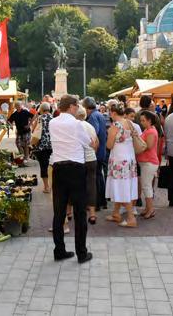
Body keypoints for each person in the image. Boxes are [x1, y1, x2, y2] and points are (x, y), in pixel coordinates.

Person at [49, 94, 94, 264]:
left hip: (59, 167)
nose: (78, 109)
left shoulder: (53, 123)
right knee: (79, 211)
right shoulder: (76, 124)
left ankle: (59, 249)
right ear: (72, 106)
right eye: (77, 106)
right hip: (75, 167)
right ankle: (81, 252)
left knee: (59, 211)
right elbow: (88, 143)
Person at [105, 102, 139, 227]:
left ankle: (131, 218)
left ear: (113, 113)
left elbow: (109, 145)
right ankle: (116, 213)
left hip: (119, 160)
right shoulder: (129, 123)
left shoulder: (115, 126)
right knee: (124, 185)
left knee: (122, 187)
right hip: (130, 159)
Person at [82, 97, 108, 211]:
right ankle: (102, 201)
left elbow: (93, 134)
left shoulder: (92, 117)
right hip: (102, 150)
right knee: (99, 176)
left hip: (97, 152)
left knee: (95, 178)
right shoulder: (99, 114)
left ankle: (96, 203)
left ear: (86, 107)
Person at [76, 106, 98, 224]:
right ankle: (92, 214)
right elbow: (96, 142)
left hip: (79, 160)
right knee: (91, 186)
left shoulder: (75, 126)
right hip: (91, 159)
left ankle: (71, 212)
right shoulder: (90, 126)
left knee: (75, 185)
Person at [137, 110, 159, 219]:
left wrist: (137, 141)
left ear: (149, 121)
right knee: (146, 185)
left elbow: (149, 146)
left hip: (149, 162)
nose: (142, 122)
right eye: (141, 120)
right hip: (146, 162)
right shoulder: (148, 130)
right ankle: (148, 208)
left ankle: (151, 209)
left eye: (143, 120)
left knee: (146, 186)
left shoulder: (150, 131)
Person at [32, 102, 53, 193]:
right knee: (51, 165)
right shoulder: (53, 118)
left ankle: (46, 187)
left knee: (43, 166)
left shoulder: (40, 118)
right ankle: (53, 185)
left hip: (42, 146)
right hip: (52, 146)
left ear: (41, 110)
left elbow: (34, 131)